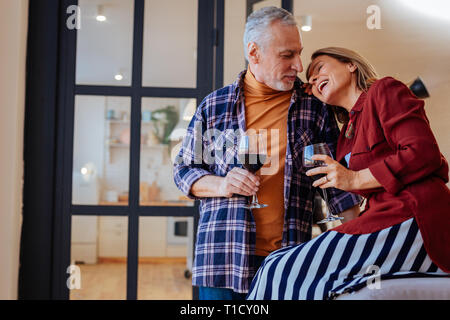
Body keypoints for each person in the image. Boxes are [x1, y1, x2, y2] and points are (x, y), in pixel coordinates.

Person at [173, 10, 361, 300]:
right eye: (287, 56)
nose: (299, 65)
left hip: (288, 261)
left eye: (299, 53)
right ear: (254, 52)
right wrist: (222, 185)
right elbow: (184, 169)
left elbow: (335, 183)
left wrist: (364, 241)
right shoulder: (215, 106)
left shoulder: (314, 107)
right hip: (222, 258)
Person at [247, 47, 450, 300]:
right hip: (381, 217)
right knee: (278, 263)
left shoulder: (384, 90)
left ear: (351, 64)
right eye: (310, 80)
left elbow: (423, 154)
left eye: (319, 68)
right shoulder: (346, 136)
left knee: (278, 269)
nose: (313, 79)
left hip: (414, 215)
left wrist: (353, 179)